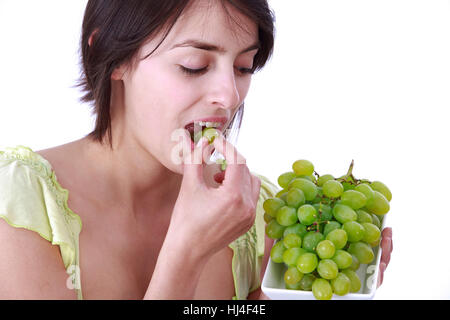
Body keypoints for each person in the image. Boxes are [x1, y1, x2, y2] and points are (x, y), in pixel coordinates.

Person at [0, 0, 392, 300]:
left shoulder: (259, 216)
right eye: (194, 65)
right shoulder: (20, 207)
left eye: (244, 67)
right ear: (113, 55)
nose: (228, 95)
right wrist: (186, 254)